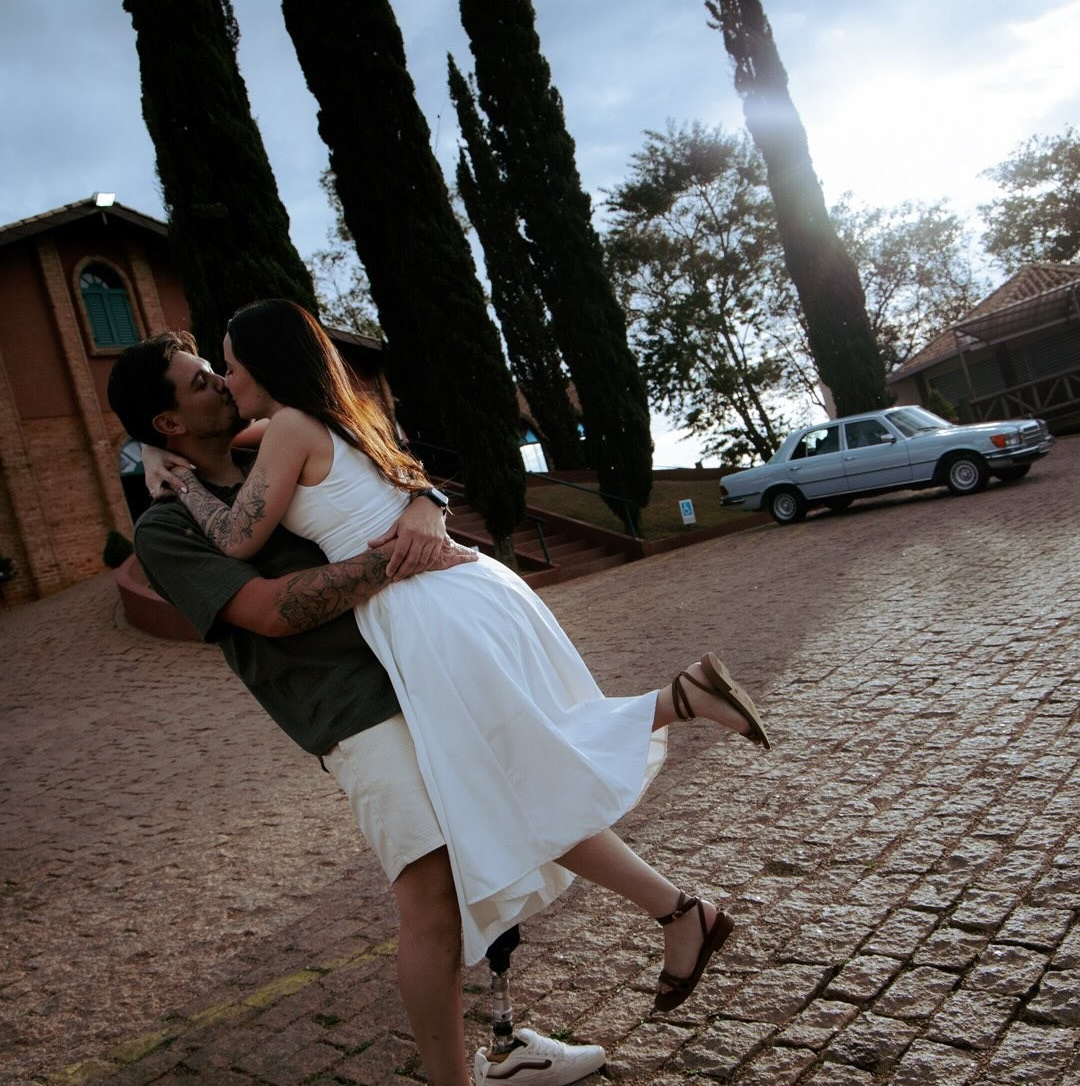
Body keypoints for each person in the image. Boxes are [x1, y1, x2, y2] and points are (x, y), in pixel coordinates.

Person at [109, 331, 609, 1086]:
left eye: (219, 367)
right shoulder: (166, 526)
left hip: (420, 674)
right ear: (166, 418)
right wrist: (393, 555)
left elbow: (383, 467)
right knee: (430, 894)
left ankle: (507, 1044)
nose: (222, 383)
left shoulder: (271, 445)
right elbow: (268, 611)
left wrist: (421, 505)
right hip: (352, 714)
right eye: (200, 381)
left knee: (498, 841)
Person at [155, 301, 769, 995]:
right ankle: (681, 908)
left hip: (424, 610)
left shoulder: (291, 427)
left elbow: (237, 537)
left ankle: (680, 702)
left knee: (517, 764)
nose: (227, 381)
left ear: (265, 366)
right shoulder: (330, 413)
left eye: (231, 367)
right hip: (461, 591)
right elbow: (268, 441)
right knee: (515, 776)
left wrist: (179, 483)